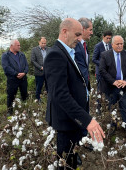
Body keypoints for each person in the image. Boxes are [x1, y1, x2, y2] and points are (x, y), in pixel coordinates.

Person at [44, 18, 105, 169]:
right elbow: (60, 94)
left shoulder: (69, 51)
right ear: (65, 32)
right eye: (77, 34)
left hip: (73, 118)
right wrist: (87, 120)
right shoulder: (56, 55)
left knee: (71, 156)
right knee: (64, 161)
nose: (80, 38)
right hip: (65, 120)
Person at [99, 35, 126, 135]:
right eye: (117, 44)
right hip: (111, 87)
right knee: (112, 107)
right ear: (112, 45)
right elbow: (102, 70)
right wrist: (113, 82)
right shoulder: (105, 55)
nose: (120, 46)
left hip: (124, 87)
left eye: (121, 44)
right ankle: (113, 126)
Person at [1, 39, 29, 116]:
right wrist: (16, 74)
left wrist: (24, 73)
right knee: (11, 95)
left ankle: (25, 109)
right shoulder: (5, 55)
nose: (19, 47)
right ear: (12, 46)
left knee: (24, 94)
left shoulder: (22, 55)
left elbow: (26, 65)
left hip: (23, 79)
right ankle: (10, 111)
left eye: (19, 45)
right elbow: (6, 67)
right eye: (18, 45)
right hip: (12, 79)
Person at [74, 17, 93, 89]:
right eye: (90, 30)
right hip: (77, 86)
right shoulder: (74, 45)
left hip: (85, 84)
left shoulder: (84, 45)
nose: (92, 33)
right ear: (83, 29)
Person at [31, 37, 49, 103]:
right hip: (39, 72)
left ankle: (49, 98)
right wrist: (40, 67)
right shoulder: (34, 50)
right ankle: (38, 99)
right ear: (39, 42)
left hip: (48, 72)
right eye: (42, 43)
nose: (44, 44)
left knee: (49, 86)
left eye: (45, 43)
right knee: (39, 86)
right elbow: (33, 60)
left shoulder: (49, 49)